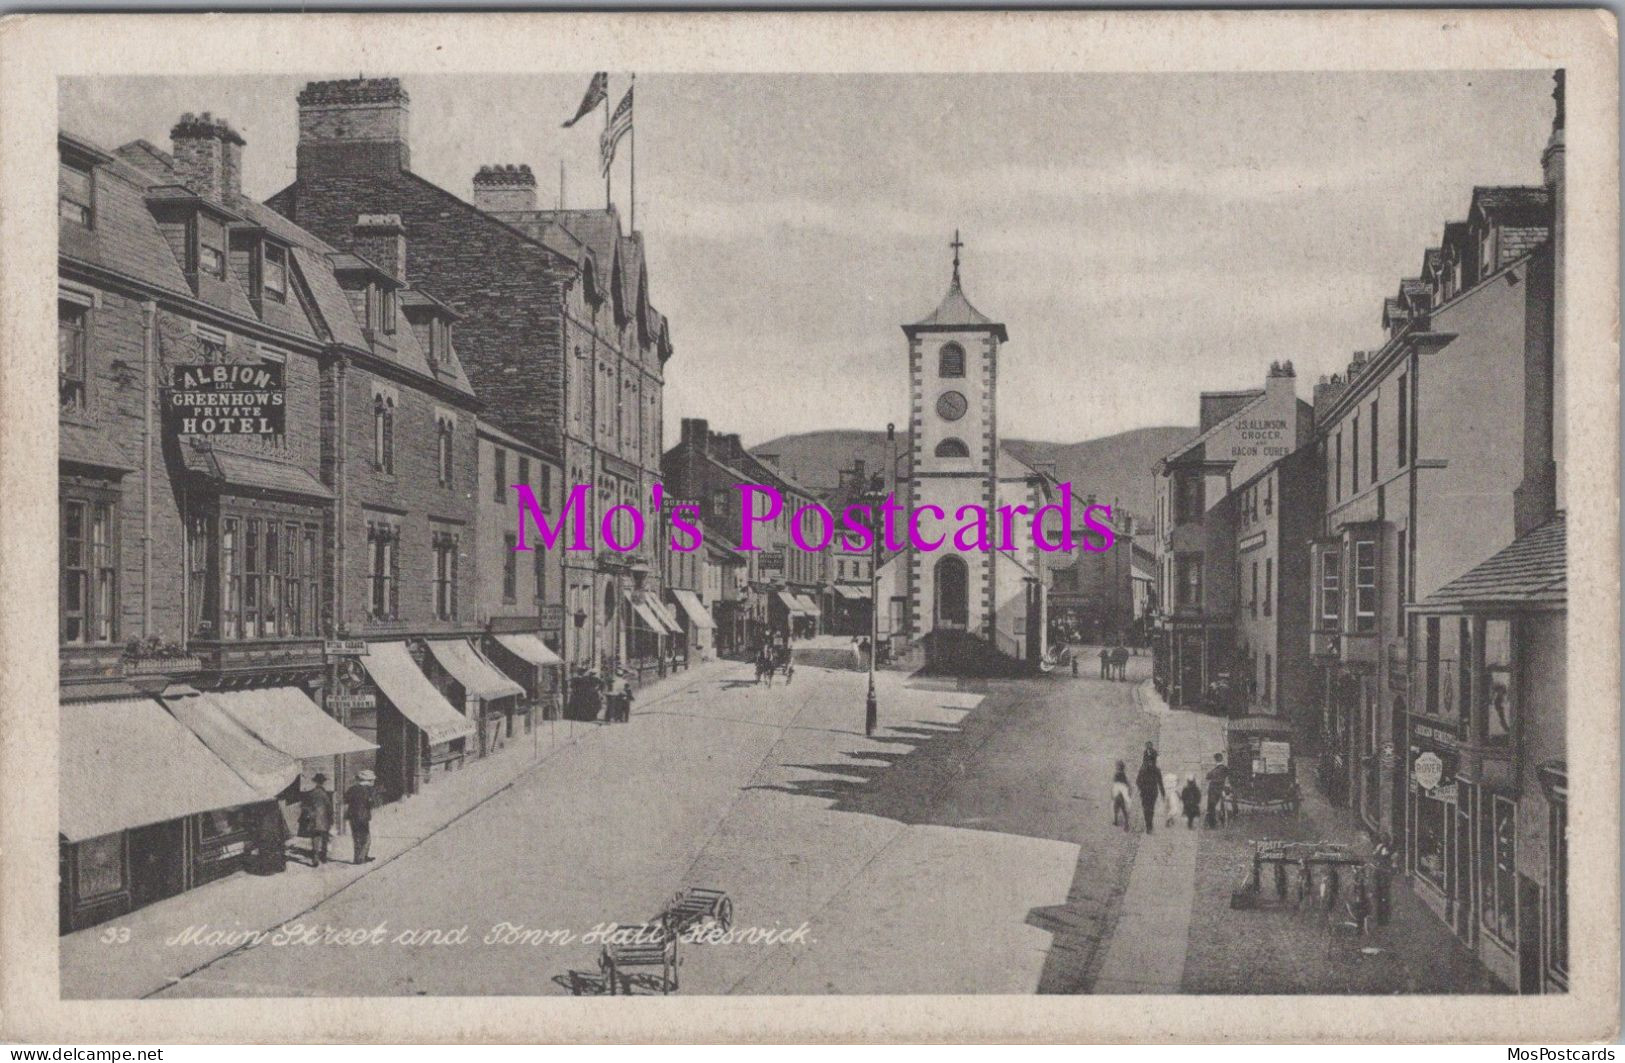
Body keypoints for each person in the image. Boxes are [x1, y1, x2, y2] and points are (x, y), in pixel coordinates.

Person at [299, 773, 334, 866]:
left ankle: (315, 858)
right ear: (323, 782)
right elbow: (329, 807)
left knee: (315, 838)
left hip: (313, 818)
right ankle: (324, 857)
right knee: (325, 838)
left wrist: (310, 813)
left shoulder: (311, 793)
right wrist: (331, 818)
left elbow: (304, 806)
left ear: (315, 782)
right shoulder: (325, 794)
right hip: (324, 818)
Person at [345, 769, 376, 865]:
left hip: (352, 816)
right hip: (363, 816)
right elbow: (371, 803)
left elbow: (346, 799)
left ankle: (357, 858)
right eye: (372, 780)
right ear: (369, 781)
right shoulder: (369, 790)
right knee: (366, 838)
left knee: (356, 837)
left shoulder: (352, 788)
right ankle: (362, 858)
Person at [1134, 756, 1165, 834]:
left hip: (1151, 793)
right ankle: (1149, 825)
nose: (1150, 764)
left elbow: (1160, 783)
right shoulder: (1147, 770)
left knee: (1149, 809)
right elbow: (1138, 781)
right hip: (1147, 792)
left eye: (1151, 762)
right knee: (1147, 809)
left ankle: (1149, 825)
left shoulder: (1150, 770)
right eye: (1149, 762)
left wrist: (1163, 794)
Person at [1371, 832, 1395, 927]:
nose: (1383, 841)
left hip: (1385, 874)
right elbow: (1374, 855)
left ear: (1388, 840)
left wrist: (1390, 870)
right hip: (1378, 873)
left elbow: (1393, 863)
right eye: (1382, 839)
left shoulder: (1392, 849)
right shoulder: (1380, 846)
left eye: (1385, 839)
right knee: (1377, 895)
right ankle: (1378, 918)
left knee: (1384, 897)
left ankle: (1384, 919)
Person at [1204, 752, 1229, 828]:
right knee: (1222, 807)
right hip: (1221, 789)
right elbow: (1227, 778)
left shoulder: (1214, 770)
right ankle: (1222, 822)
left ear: (1215, 760)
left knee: (1211, 807)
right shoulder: (1225, 769)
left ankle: (1212, 824)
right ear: (1222, 759)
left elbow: (1207, 776)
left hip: (1213, 790)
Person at [1111, 762, 1133, 830]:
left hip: (1117, 795)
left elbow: (1114, 785)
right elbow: (1127, 785)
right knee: (1124, 809)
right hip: (1122, 796)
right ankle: (1126, 822)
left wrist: (1112, 795)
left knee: (1115, 808)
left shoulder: (1116, 775)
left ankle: (1115, 820)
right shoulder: (1124, 776)